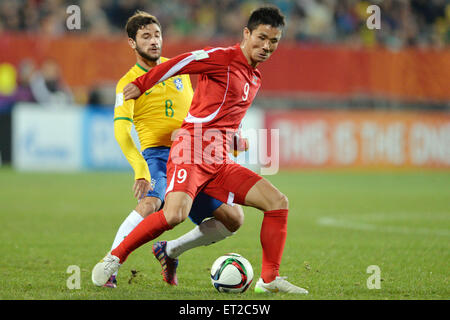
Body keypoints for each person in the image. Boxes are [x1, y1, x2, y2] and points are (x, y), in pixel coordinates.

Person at [93, 6, 308, 294]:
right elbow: (184, 61)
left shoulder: (255, 78)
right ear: (246, 34)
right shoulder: (222, 58)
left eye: (274, 41)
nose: (267, 46)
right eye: (261, 38)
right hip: (190, 150)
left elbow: (226, 112)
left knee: (276, 203)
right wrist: (143, 83)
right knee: (173, 215)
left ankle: (269, 280)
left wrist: (234, 137)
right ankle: (114, 258)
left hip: (217, 160)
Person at [106, 11, 244, 288]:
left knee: (233, 218)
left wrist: (232, 135)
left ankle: (169, 251)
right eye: (146, 36)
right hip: (157, 154)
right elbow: (121, 131)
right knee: (151, 202)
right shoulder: (127, 83)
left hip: (192, 155)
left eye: (157, 34)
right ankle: (110, 263)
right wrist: (140, 169)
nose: (154, 41)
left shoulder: (178, 69)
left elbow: (205, 111)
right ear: (132, 43)